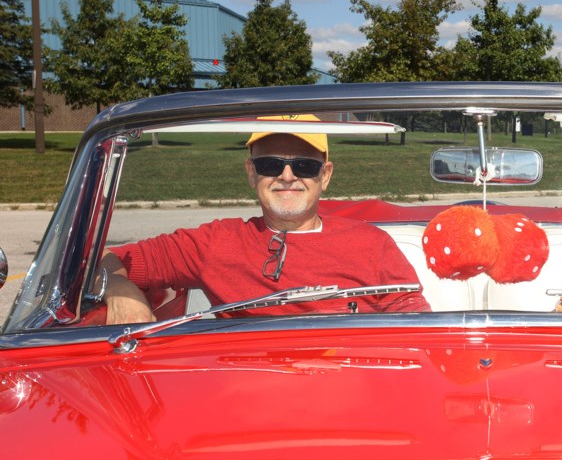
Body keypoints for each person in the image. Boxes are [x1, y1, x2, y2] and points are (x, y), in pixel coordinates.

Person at [99, 115, 430, 324]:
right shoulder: (215, 242)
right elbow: (107, 258)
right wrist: (117, 288)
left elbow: (416, 324)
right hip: (247, 403)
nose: (287, 176)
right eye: (270, 164)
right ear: (251, 172)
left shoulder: (371, 243)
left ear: (325, 176)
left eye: (304, 166)